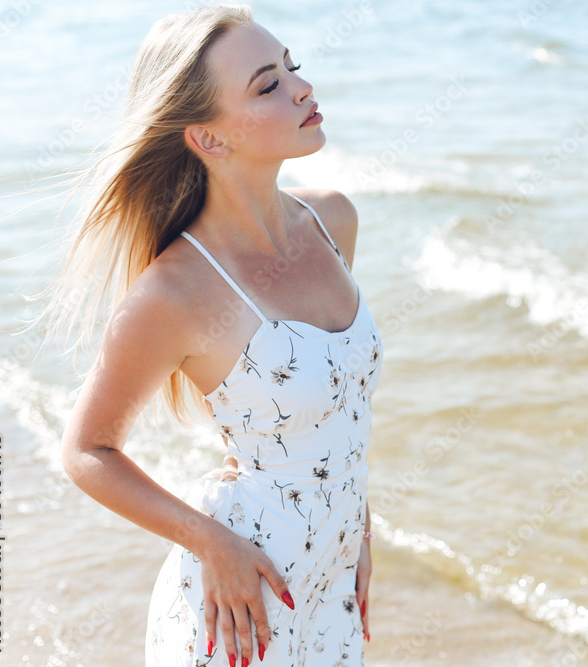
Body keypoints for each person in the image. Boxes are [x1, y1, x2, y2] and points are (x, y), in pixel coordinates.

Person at [47, 5, 382, 666]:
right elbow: (88, 450)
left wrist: (358, 525)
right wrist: (211, 543)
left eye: (293, 67)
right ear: (209, 138)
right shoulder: (176, 292)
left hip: (334, 580)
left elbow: (340, 403)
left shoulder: (333, 220)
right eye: (267, 86)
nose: (301, 88)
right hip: (242, 594)